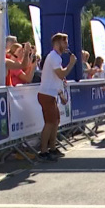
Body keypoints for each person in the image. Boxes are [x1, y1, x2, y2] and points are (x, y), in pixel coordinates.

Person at [37, 33, 77, 162]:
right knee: (50, 123)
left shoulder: (56, 57)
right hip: (46, 94)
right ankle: (43, 151)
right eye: (65, 42)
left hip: (51, 94)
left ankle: (52, 148)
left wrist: (60, 94)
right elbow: (61, 75)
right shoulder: (54, 57)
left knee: (55, 122)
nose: (67, 45)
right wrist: (71, 64)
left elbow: (56, 79)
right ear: (58, 43)